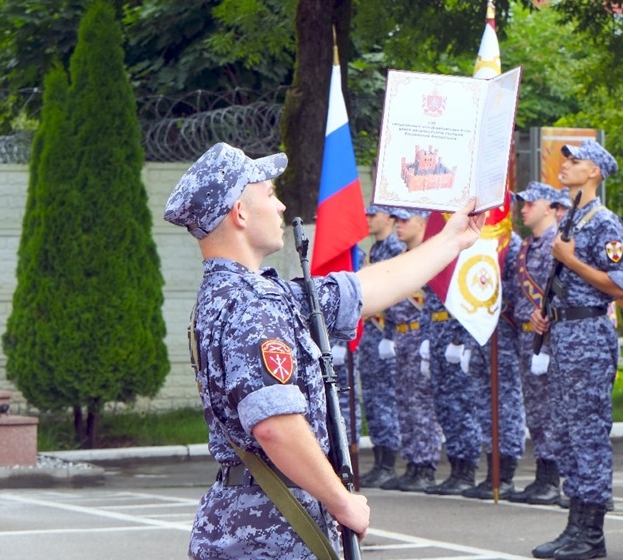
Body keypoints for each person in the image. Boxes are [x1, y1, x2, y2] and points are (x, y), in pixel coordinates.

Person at [164, 142, 486, 559]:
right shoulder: (251, 305)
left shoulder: (243, 294)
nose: (281, 207)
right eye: (269, 194)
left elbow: (365, 289)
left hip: (253, 522)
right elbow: (275, 425)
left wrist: (452, 240)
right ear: (239, 213)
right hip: (269, 532)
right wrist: (340, 499)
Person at [530, 139, 623, 560]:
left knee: (587, 434)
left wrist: (570, 261)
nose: (566, 164)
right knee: (566, 433)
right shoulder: (570, 220)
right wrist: (547, 314)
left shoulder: (603, 222)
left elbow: (620, 284)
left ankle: (591, 534)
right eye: (565, 158)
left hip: (590, 334)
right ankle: (575, 526)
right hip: (565, 334)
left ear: (594, 172)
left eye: (576, 161)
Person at [379, 208, 445, 492]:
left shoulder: (430, 261)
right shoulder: (401, 260)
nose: (399, 225)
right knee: (405, 403)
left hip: (422, 338)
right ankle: (413, 462)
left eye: (405, 220)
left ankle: (426, 464)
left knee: (422, 405)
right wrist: (388, 334)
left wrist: (432, 339)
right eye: (398, 220)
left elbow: (437, 304)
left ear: (421, 223)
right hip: (402, 339)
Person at [507, 182, 564, 506]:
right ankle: (542, 473)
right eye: (523, 203)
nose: (524, 208)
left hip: (551, 337)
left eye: (530, 203)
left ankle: (553, 476)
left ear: (548, 206)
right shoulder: (527, 246)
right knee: (536, 410)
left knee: (551, 408)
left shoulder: (560, 243)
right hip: (528, 336)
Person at [463, 230, 527, 501]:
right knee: (485, 403)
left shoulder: (509, 244)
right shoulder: (478, 241)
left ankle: (505, 473)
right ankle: (492, 471)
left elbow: (518, 289)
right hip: (480, 330)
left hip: (504, 330)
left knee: (506, 402)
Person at [357, 205, 405, 488]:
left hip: (390, 336)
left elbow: (400, 296)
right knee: (374, 399)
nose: (368, 220)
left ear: (388, 217)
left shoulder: (397, 250)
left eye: (373, 215)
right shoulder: (374, 251)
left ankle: (389, 461)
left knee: (387, 398)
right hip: (372, 337)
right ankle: (379, 459)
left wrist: (390, 334)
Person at [423, 281, 482, 496]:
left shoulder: (462, 260)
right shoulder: (439, 261)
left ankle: (467, 470)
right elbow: (429, 303)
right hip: (438, 337)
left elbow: (470, 300)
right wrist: (425, 339)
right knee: (444, 407)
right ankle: (456, 468)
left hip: (454, 339)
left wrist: (461, 339)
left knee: (461, 407)